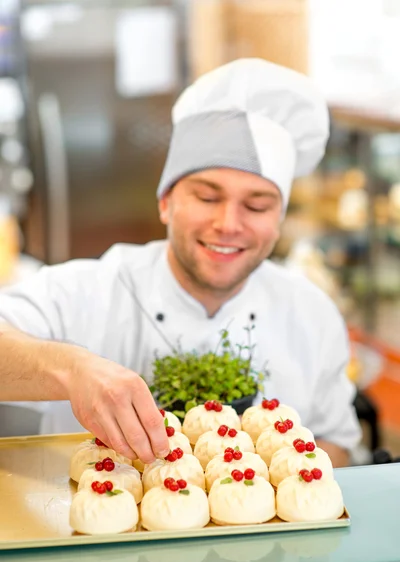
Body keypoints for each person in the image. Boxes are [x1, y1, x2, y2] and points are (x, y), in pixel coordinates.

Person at [0, 58, 361, 467]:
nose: (228, 224)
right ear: (166, 201)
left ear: (278, 221)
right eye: (207, 197)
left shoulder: (311, 315)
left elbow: (338, 447)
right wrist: (70, 369)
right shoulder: (90, 290)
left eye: (257, 205)